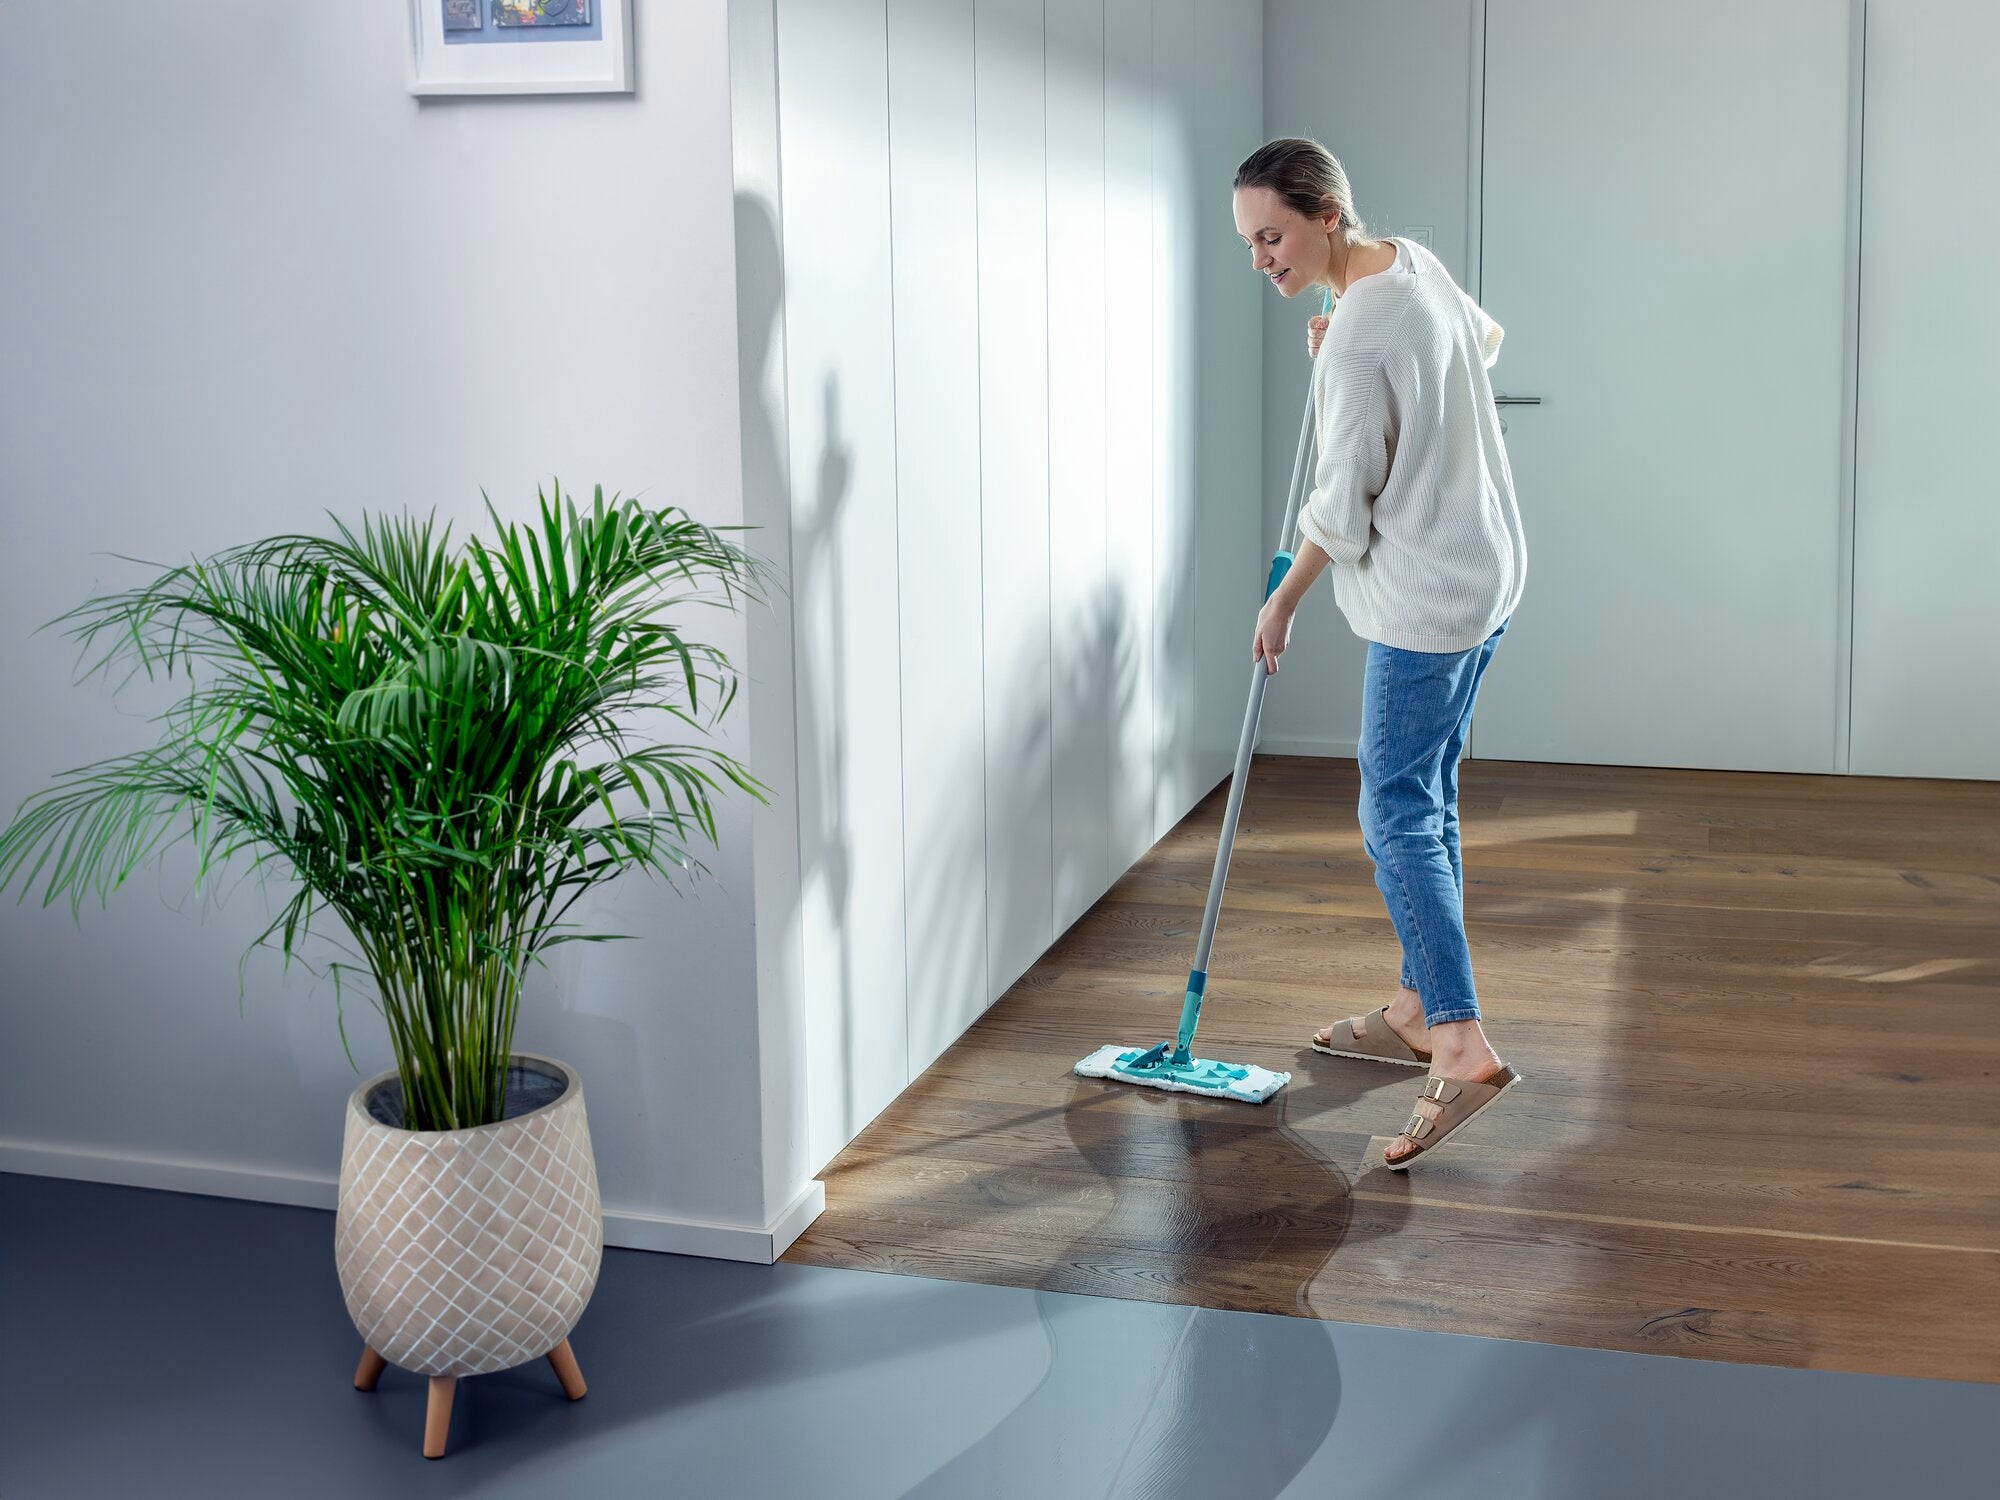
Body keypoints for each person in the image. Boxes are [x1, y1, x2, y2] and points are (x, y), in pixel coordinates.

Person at [1232, 137, 1527, 1169]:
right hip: (1488, 572)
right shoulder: (1408, 261)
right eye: (1249, 241)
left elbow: (1341, 500)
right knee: (1427, 796)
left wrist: (1282, 601)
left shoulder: (1355, 330)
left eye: (1270, 235)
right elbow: (1476, 345)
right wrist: (1352, 359)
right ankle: (1411, 1007)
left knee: (1391, 810)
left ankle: (1459, 1040)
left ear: (1322, 216)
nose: (1260, 258)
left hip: (1427, 597)